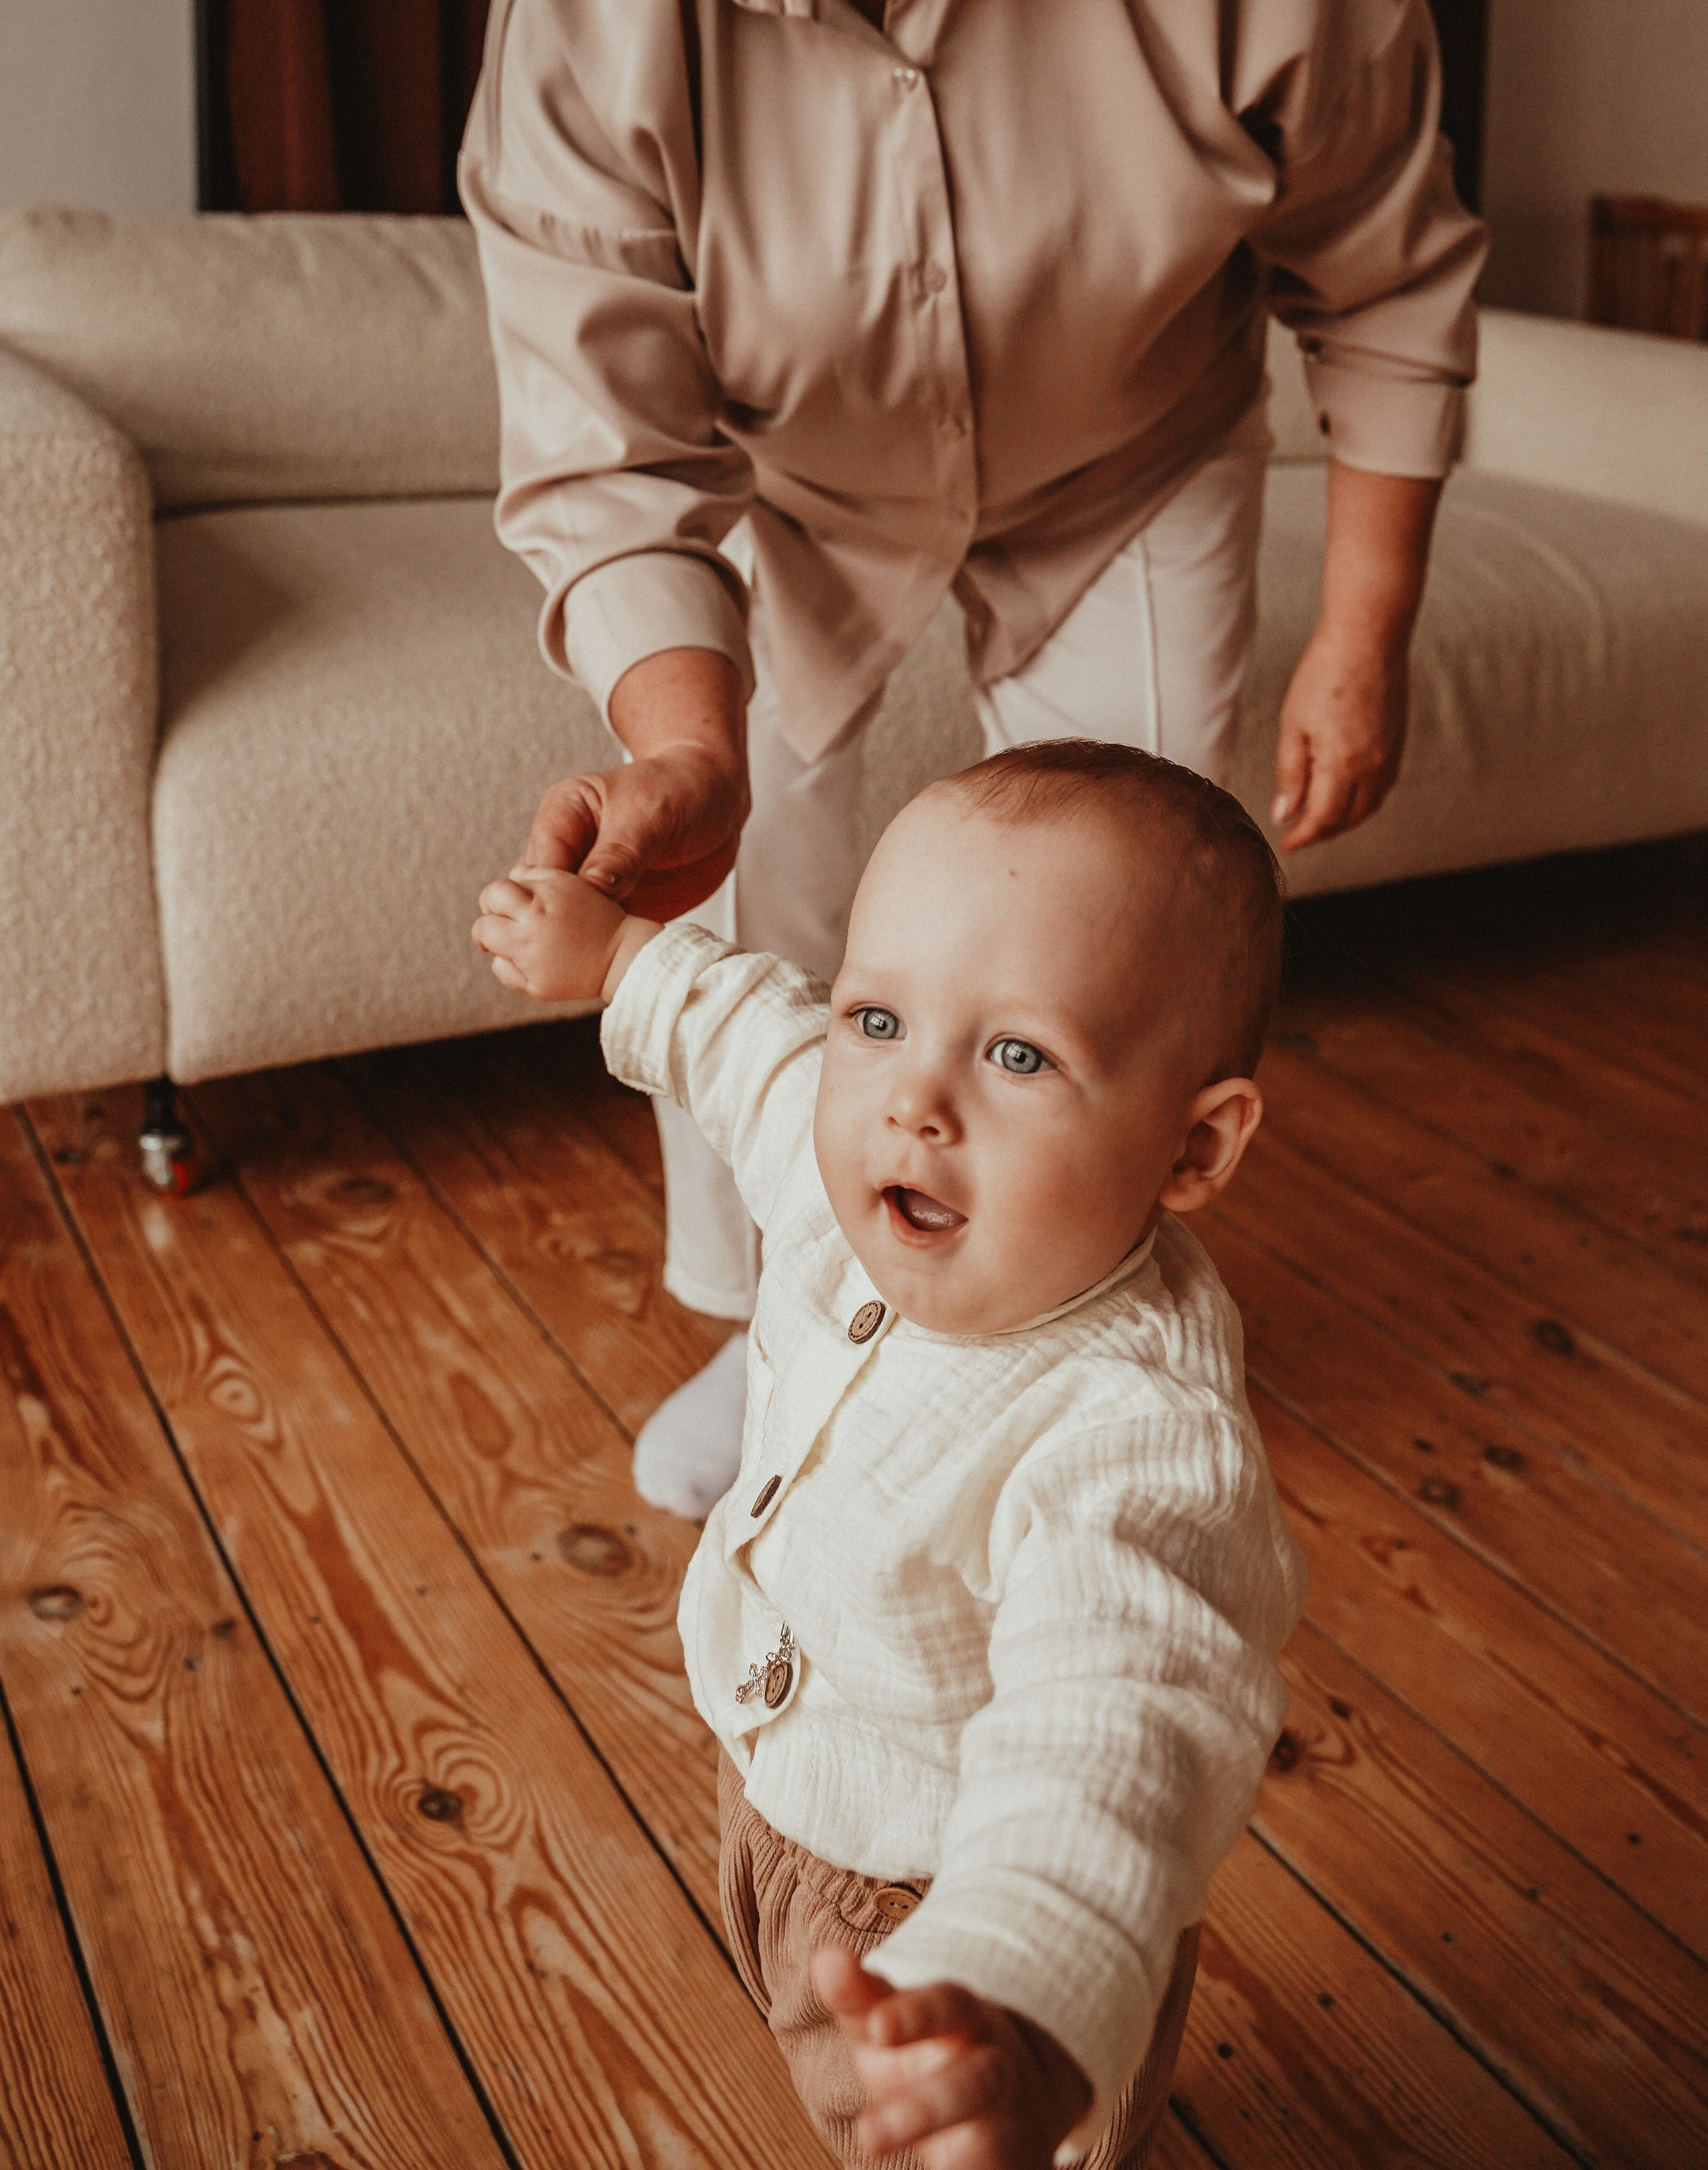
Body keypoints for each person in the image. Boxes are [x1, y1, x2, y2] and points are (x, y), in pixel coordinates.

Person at [460, 0, 1486, 1518]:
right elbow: (609, 444)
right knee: (770, 901)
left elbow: (1382, 262)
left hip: (1135, 459)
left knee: (1106, 962)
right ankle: (786, 1334)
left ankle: (1066, 1369)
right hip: (792, 493)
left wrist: (1361, 625)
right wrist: (687, 746)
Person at [472, 739, 1305, 2169]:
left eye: (1018, 1054)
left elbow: (1113, 1740)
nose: (913, 1100)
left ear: (1193, 1149)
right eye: (878, 1017)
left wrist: (1019, 2005)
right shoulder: (852, 1150)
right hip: (787, 1792)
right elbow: (757, 1043)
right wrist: (620, 958)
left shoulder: (1132, 1439)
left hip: (962, 1933)